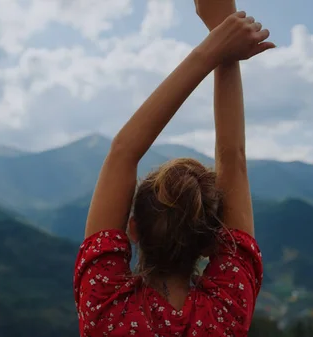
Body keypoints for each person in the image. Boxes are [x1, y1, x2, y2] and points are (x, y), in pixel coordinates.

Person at [73, 0, 275, 335]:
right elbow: (232, 157)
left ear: (133, 229)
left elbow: (123, 152)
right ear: (213, 243)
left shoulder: (105, 308)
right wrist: (220, 34)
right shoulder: (226, 312)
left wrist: (214, 46)